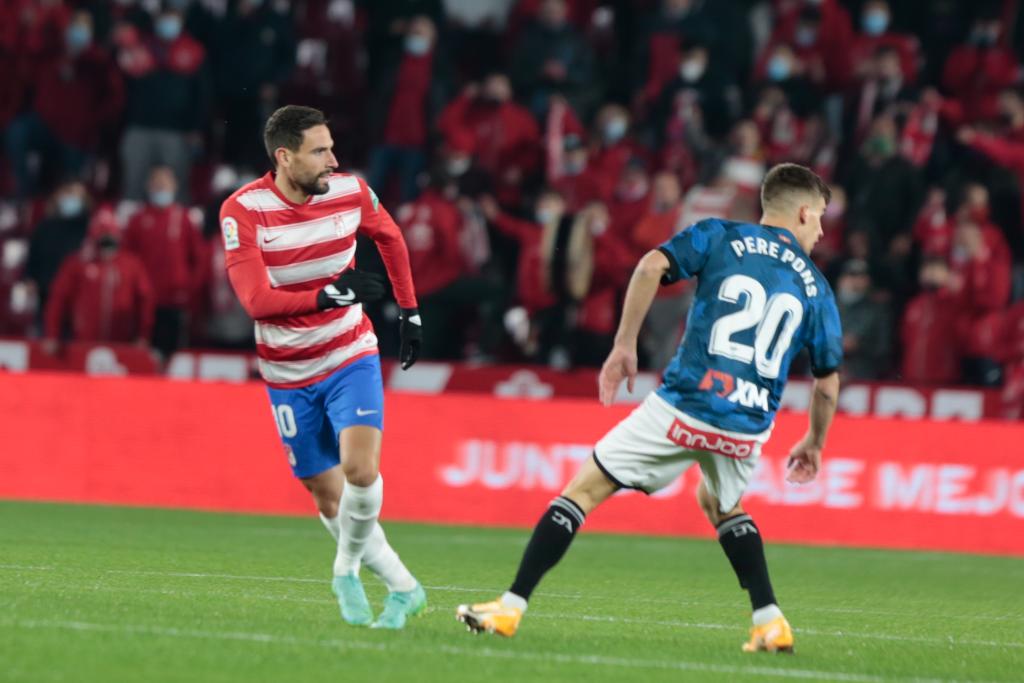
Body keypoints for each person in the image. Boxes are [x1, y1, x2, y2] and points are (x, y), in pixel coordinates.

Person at [457, 163, 843, 654]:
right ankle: (770, 621)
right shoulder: (817, 286)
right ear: (804, 212)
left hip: (687, 403)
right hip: (748, 425)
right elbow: (827, 383)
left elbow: (649, 266)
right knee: (719, 503)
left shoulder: (720, 235)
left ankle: (509, 607)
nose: (822, 229)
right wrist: (815, 441)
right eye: (821, 218)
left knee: (585, 488)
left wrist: (623, 345)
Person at [219, 105, 426, 629]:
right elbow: (256, 301)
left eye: (332, 148)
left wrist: (410, 311)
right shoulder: (242, 211)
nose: (333, 160)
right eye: (320, 151)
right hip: (287, 370)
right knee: (325, 493)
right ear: (285, 157)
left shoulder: (351, 192)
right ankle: (404, 587)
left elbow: (392, 238)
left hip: (348, 351)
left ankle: (345, 569)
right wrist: (328, 293)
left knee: (361, 470)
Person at [122, 166, 203, 359]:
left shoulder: (183, 219)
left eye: (164, 183)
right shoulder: (138, 220)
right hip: (143, 300)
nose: (160, 188)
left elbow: (198, 258)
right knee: (143, 354)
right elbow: (127, 260)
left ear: (174, 186)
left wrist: (188, 289)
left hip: (174, 300)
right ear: (148, 186)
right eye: (156, 183)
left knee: (172, 353)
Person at [44, 209, 154, 349]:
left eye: (111, 242)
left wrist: (143, 335)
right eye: (103, 242)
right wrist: (52, 334)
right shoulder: (78, 263)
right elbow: (58, 299)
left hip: (121, 344)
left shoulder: (131, 264)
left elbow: (145, 299)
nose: (107, 249)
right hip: (83, 342)